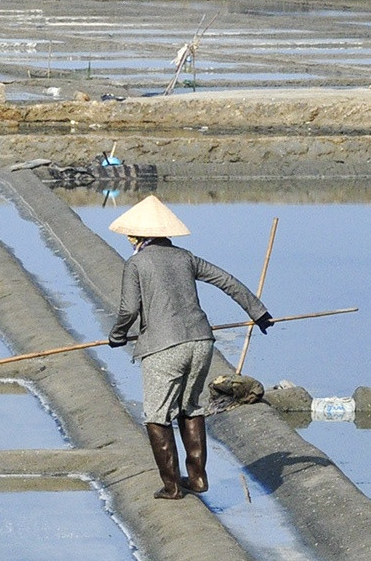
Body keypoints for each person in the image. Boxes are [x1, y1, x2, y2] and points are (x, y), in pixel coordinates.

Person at [105, 196, 272, 500]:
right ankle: (196, 478)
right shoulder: (185, 257)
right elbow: (226, 280)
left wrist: (117, 335)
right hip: (201, 343)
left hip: (164, 347)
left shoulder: (136, 264)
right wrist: (258, 312)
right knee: (190, 407)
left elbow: (129, 310)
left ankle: (171, 486)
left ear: (138, 236)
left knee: (157, 415)